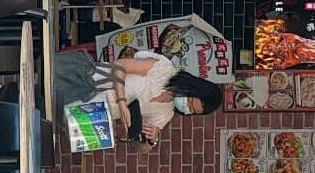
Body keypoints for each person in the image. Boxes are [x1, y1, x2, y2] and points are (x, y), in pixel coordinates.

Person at [49, 49, 222, 143]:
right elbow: (120, 65)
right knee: (40, 82)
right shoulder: (164, 70)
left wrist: (153, 139)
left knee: (45, 116)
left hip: (89, 112)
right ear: (193, 88)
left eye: (191, 110)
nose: (187, 107)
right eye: (190, 101)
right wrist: (122, 102)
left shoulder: (165, 114)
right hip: (87, 80)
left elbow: (140, 151)